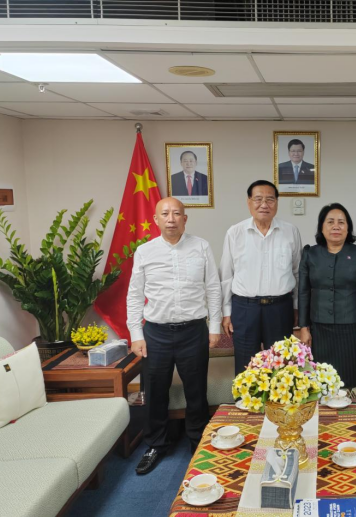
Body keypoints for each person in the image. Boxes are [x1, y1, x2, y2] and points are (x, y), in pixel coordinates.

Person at [127, 197, 222, 475]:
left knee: (196, 392)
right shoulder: (144, 252)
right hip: (155, 333)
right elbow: (134, 295)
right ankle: (156, 444)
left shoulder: (201, 246)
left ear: (185, 219)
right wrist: (136, 333)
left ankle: (198, 442)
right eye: (165, 214)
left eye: (176, 213)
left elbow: (213, 288)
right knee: (155, 392)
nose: (171, 218)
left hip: (193, 331)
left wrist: (214, 326)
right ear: (156, 219)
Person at [298, 203, 356, 415]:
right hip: (318, 329)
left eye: (341, 222)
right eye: (330, 222)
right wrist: (303, 327)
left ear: (348, 228)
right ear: (321, 228)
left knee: (351, 378)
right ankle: (323, 428)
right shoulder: (310, 255)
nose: (336, 226)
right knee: (320, 379)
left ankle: (354, 429)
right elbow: (303, 293)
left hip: (351, 330)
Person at [220, 180, 303, 374]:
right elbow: (226, 275)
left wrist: (297, 306)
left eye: (270, 199)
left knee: (281, 366)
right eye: (258, 199)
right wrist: (226, 312)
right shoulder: (235, 233)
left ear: (277, 203)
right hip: (245, 308)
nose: (264, 204)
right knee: (246, 366)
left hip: (280, 308)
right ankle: (244, 404)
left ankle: (279, 405)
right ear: (249, 202)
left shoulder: (291, 231)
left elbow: (298, 272)